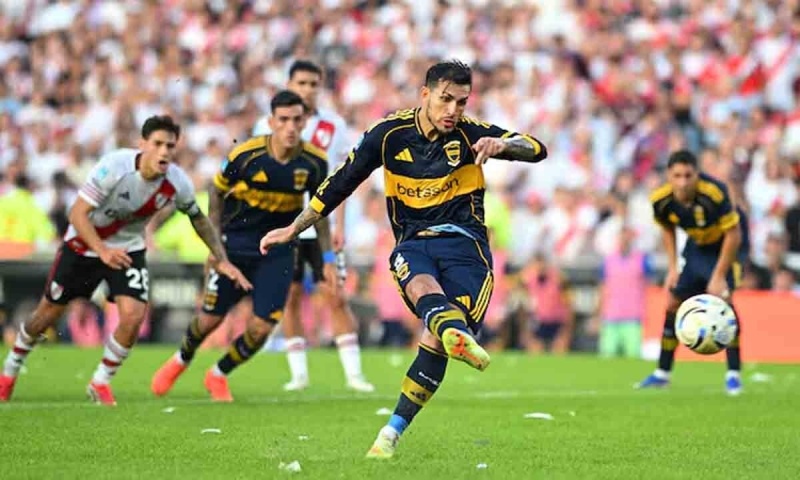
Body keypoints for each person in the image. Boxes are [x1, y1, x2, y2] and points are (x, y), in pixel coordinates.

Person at [259, 60, 547, 458]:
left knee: (436, 338)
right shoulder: (388, 135)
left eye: (461, 102)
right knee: (425, 290)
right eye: (445, 99)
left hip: (467, 249)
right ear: (425, 94)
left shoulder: (472, 134)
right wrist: (294, 228)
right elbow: (340, 182)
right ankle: (447, 334)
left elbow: (537, 149)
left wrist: (505, 146)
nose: (453, 110)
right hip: (414, 243)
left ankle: (391, 431)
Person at [0, 115, 251, 406]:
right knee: (47, 315)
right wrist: (102, 250)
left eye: (170, 146)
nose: (164, 152)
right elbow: (77, 214)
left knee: (133, 315)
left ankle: (100, 382)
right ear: (142, 144)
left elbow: (199, 219)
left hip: (128, 249)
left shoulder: (177, 181)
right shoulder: (114, 167)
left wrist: (221, 258)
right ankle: (9, 371)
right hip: (83, 245)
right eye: (157, 144)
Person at [150, 90, 331, 402]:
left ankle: (218, 373)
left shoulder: (315, 163)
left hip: (278, 251)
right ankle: (182, 357)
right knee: (209, 319)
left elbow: (321, 209)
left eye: (296, 120)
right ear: (271, 122)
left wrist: (327, 256)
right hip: (235, 246)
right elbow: (215, 191)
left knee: (262, 327)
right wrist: (215, 249)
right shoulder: (246, 156)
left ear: (304, 122)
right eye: (283, 119)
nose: (290, 127)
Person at [254, 60, 373, 393]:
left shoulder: (333, 125)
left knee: (335, 295)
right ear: (289, 83)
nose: (307, 89)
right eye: (301, 83)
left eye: (313, 84)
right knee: (290, 296)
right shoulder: (267, 125)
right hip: (284, 226)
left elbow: (343, 178)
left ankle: (354, 375)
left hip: (323, 225)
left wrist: (340, 225)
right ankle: (299, 375)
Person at [637, 150, 746, 395]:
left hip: (727, 245)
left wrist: (718, 276)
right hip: (697, 246)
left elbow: (734, 234)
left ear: (697, 174)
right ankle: (662, 373)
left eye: (688, 175)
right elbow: (667, 228)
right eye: (677, 176)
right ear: (669, 175)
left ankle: (733, 374)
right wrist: (673, 267)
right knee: (672, 303)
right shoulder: (660, 199)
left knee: (724, 302)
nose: (683, 182)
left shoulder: (714, 193)